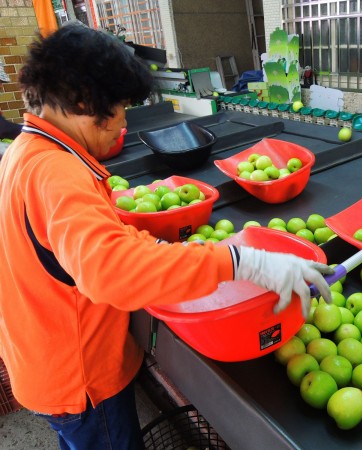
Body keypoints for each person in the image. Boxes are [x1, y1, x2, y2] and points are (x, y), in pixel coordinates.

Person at [0, 22, 332, 450]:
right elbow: (111, 271)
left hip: (43, 361)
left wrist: (161, 249)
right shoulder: (57, 174)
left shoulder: (27, 152)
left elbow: (90, 243)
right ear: (81, 101)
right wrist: (244, 261)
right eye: (117, 107)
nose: (122, 123)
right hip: (80, 379)